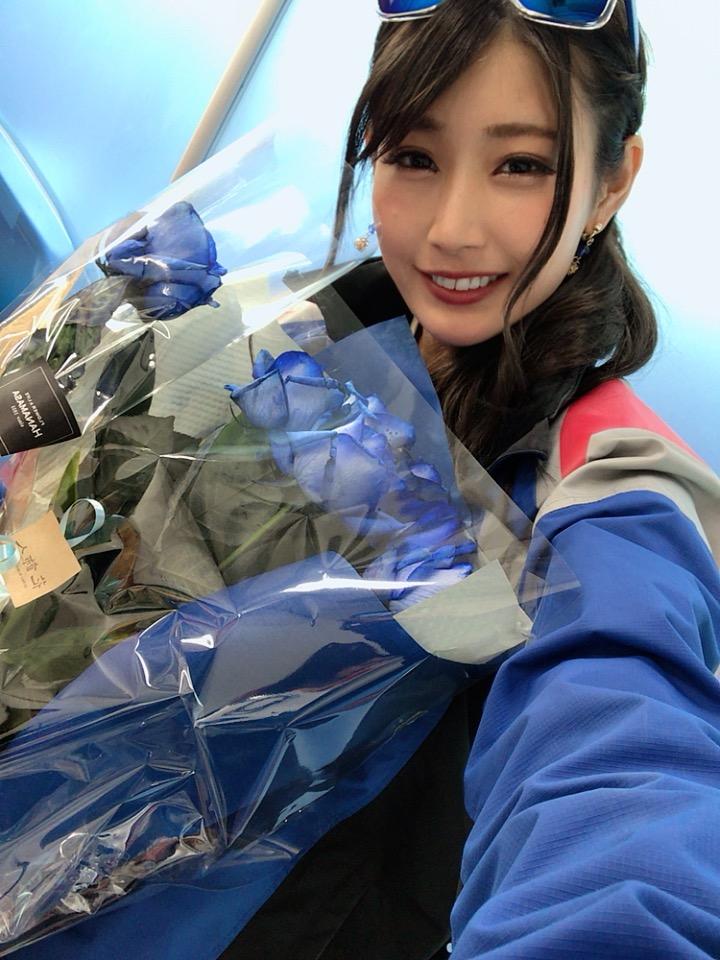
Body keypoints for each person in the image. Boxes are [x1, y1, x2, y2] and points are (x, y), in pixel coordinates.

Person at [229, 1, 720, 957]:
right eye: (413, 155)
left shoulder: (606, 482)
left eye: (522, 165)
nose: (452, 230)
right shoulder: (301, 344)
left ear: (612, 182)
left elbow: (620, 774)